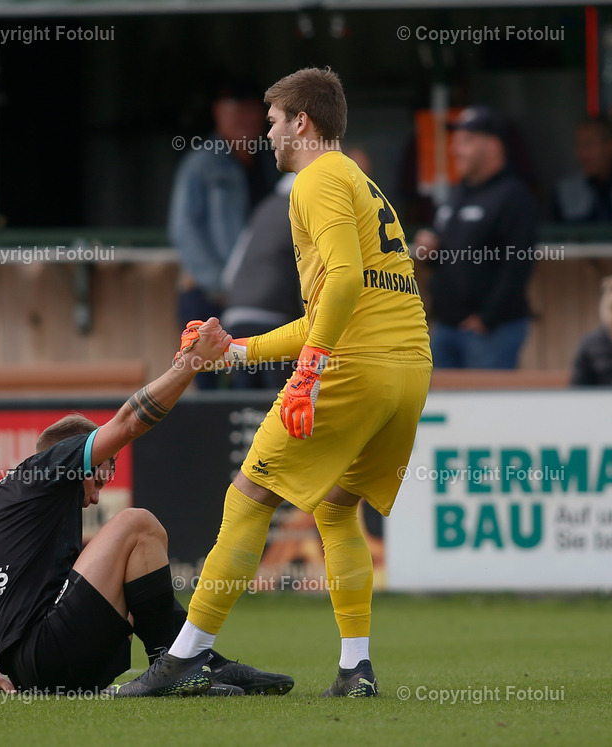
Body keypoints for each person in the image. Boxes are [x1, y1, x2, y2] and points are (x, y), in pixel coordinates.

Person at [110, 67, 432, 698]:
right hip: (407, 370)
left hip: (353, 365)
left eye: (274, 122)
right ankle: (355, 670)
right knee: (338, 510)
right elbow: (330, 307)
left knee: (248, 496)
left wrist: (310, 370)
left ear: (301, 122)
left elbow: (340, 283)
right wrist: (235, 353)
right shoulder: (361, 185)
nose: (270, 135)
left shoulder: (314, 180)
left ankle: (182, 661)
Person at [0, 318, 294, 698]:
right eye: (97, 480)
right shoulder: (48, 467)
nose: (93, 498)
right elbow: (126, 423)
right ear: (73, 456)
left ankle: (199, 659)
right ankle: (173, 663)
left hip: (39, 670)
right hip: (48, 653)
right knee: (137, 525)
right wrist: (190, 363)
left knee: (134, 573)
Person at [168, 80, 279, 388]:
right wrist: (223, 284)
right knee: (212, 391)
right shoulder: (202, 163)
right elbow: (183, 230)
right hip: (209, 298)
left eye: (250, 110)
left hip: (256, 299)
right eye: (235, 110)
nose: (244, 118)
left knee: (256, 392)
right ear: (218, 112)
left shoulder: (272, 161)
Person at [412, 105, 538, 370]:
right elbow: (453, 254)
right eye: (455, 142)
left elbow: (518, 266)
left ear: (493, 146)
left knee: (489, 409)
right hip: (445, 328)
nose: (455, 149)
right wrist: (431, 250)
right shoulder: (457, 193)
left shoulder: (514, 196)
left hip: (491, 333)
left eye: (466, 141)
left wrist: (487, 319)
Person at [221, 171, 303, 389]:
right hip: (274, 321)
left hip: (236, 317)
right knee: (278, 401)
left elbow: (230, 273)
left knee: (240, 410)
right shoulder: (305, 208)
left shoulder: (264, 208)